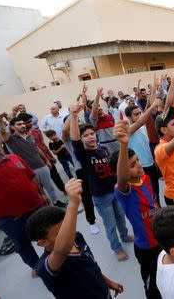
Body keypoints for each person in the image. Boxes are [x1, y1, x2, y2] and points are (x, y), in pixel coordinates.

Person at [26, 179, 124, 299]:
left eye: (67, 226)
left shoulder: (76, 238)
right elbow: (62, 249)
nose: (68, 233)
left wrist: (108, 282)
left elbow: (92, 267)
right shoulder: (45, 266)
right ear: (42, 242)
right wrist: (73, 203)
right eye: (60, 233)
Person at [0, 134, 47, 276]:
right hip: (10, 219)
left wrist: (43, 194)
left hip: (36, 208)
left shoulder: (14, 158)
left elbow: (31, 177)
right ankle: (37, 266)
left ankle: (52, 259)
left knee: (47, 234)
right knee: (22, 245)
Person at [70, 102, 133, 261]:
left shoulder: (103, 150)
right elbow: (75, 140)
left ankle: (124, 235)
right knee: (110, 224)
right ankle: (116, 248)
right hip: (101, 196)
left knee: (120, 216)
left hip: (115, 190)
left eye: (92, 133)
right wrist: (74, 116)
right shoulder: (83, 155)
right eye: (86, 135)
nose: (90, 136)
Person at [109, 120, 162, 299]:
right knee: (152, 284)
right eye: (131, 165)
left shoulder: (145, 178)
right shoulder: (124, 190)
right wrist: (124, 145)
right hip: (146, 247)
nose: (138, 165)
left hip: (160, 238)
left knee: (165, 275)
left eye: (137, 160)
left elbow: (154, 204)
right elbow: (122, 176)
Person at [0, 113, 65, 207]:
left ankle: (56, 202)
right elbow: (3, 133)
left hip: (42, 165)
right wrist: (0, 121)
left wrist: (46, 160)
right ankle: (45, 207)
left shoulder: (30, 136)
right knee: (37, 191)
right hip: (28, 170)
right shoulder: (11, 139)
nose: (23, 125)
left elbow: (37, 149)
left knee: (49, 187)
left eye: (23, 124)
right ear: (12, 127)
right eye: (19, 124)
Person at [61, 112, 99, 235]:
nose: (77, 123)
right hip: (82, 170)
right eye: (74, 122)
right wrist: (73, 115)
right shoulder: (69, 139)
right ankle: (92, 222)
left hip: (96, 166)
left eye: (78, 121)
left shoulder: (86, 133)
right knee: (87, 198)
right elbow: (65, 130)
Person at [91, 88, 120, 154]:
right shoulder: (94, 120)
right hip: (107, 148)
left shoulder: (109, 116)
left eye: (99, 106)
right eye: (95, 107)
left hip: (117, 144)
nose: (98, 108)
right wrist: (98, 95)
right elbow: (95, 110)